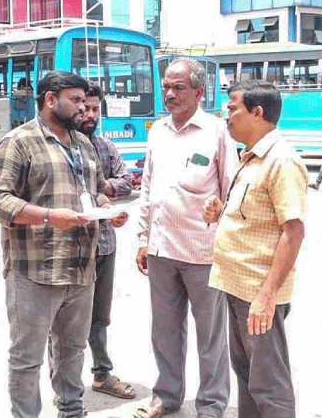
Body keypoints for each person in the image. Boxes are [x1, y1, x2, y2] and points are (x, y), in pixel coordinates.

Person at [0, 71, 128, 418]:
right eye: (76, 100)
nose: (83, 108)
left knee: (72, 351)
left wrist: (105, 210)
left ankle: (71, 411)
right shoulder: (19, 142)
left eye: (85, 101)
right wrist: (49, 216)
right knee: (27, 358)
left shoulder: (83, 144)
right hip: (35, 271)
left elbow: (90, 191)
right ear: (51, 99)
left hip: (81, 270)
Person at [134, 58, 238, 418]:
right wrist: (142, 238)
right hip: (161, 247)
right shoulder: (157, 131)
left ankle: (211, 404)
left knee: (210, 336)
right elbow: (148, 189)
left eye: (178, 87)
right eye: (166, 85)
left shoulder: (216, 131)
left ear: (198, 91)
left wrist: (220, 215)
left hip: (202, 250)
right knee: (164, 330)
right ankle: (167, 395)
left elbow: (233, 190)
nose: (170, 93)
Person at [202, 80, 307, 418]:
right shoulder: (251, 158)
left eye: (232, 108)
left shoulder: (281, 161)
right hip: (236, 286)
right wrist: (222, 213)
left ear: (257, 112)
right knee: (247, 375)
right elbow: (256, 217)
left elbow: (293, 232)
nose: (225, 116)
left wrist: (266, 296)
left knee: (269, 385)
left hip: (258, 292)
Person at [77, 82, 136, 399]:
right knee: (68, 318)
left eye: (96, 109)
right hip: (71, 247)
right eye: (84, 107)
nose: (90, 115)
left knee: (100, 316)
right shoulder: (62, 147)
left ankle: (101, 374)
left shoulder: (105, 146)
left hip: (105, 244)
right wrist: (100, 190)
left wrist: (100, 188)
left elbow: (126, 181)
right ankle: (68, 385)